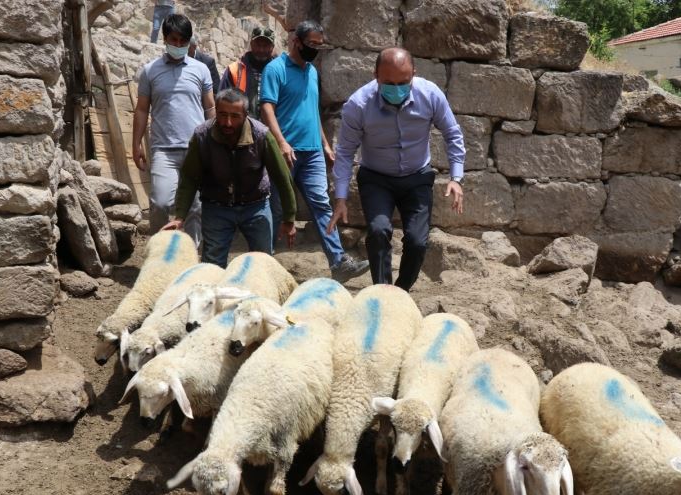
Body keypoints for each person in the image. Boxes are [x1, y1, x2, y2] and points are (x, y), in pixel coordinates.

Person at [328, 48, 465, 291]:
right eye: (388, 83)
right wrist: (340, 198)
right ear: (376, 76)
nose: (397, 89)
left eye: (403, 82)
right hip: (376, 178)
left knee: (417, 241)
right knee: (379, 232)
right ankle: (382, 293)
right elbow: (346, 152)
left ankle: (401, 291)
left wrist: (456, 177)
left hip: (417, 177)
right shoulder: (358, 104)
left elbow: (452, 133)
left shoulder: (430, 95)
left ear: (414, 73)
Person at [260, 20, 369, 283]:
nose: (315, 50)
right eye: (312, 44)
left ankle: (339, 262)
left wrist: (325, 145)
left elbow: (312, 113)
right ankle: (263, 264)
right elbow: (266, 108)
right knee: (275, 208)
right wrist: (281, 142)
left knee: (321, 204)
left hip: (312, 154)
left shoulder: (311, 72)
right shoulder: (275, 69)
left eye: (320, 45)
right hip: (283, 152)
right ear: (296, 41)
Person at [165, 89, 298, 267]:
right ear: (216, 113)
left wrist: (289, 218)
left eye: (235, 116)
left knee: (263, 263)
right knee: (212, 265)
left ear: (246, 115)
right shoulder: (202, 136)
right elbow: (189, 178)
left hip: (255, 206)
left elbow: (282, 178)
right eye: (222, 115)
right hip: (216, 206)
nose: (228, 122)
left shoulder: (261, 135)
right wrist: (180, 216)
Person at [133, 14, 215, 247]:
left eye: (183, 41)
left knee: (195, 207)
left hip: (196, 149)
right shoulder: (150, 71)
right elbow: (141, 110)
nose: (178, 45)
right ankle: (159, 253)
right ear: (165, 39)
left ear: (189, 42)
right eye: (174, 39)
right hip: (163, 150)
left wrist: (214, 142)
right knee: (159, 202)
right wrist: (136, 144)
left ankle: (189, 257)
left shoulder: (201, 70)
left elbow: (210, 107)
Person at [220, 26, 277, 119]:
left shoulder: (280, 72)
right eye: (258, 45)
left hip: (274, 129)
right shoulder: (234, 70)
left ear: (272, 47)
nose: (261, 50)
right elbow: (222, 103)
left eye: (265, 45)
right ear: (251, 44)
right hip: (242, 128)